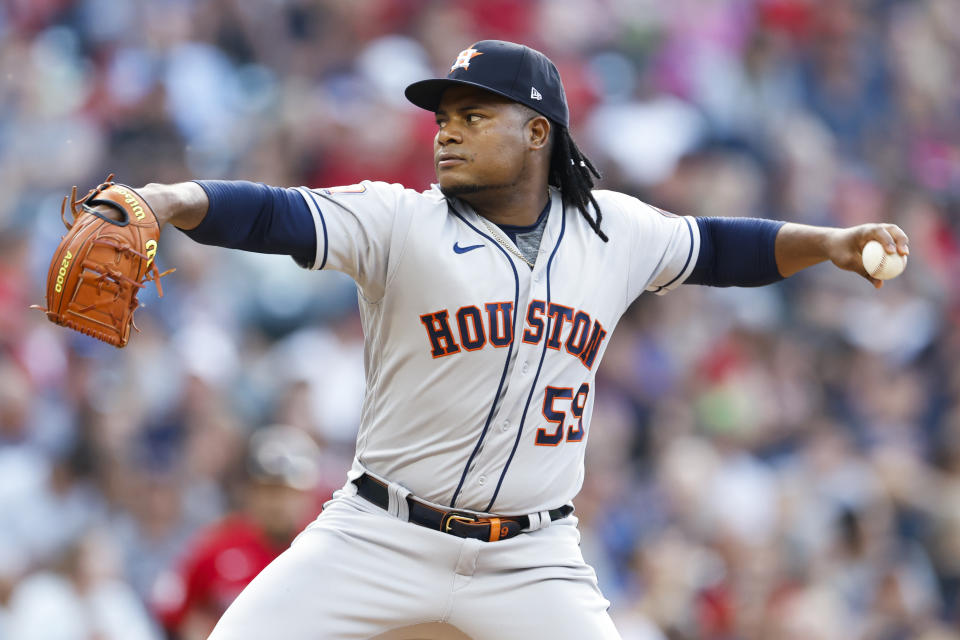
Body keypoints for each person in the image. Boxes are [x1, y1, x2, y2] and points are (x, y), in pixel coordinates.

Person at [108, 40, 909, 639]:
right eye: (444, 118)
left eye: (473, 116)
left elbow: (723, 246)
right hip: (380, 533)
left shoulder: (612, 231)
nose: (446, 133)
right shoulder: (400, 221)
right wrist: (171, 198)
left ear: (537, 132)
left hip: (533, 557)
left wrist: (830, 243)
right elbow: (274, 212)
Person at [152, 425, 323, 640]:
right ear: (251, 492)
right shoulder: (217, 545)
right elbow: (174, 612)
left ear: (308, 496)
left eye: (288, 493)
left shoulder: (325, 551)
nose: (279, 504)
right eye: (269, 490)